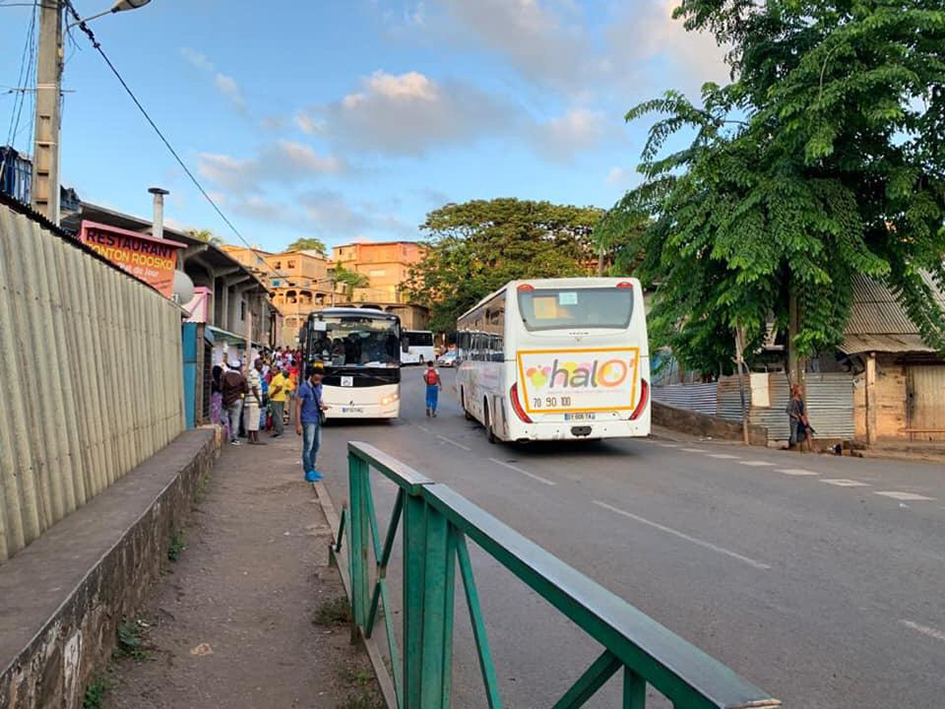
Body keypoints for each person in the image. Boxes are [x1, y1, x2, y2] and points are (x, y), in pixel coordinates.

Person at [297, 365, 329, 482]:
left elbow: (319, 399)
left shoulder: (319, 386)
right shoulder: (304, 388)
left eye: (319, 379)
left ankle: (313, 469)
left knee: (316, 445)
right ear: (311, 376)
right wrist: (298, 424)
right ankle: (308, 471)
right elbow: (298, 405)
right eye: (316, 379)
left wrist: (322, 405)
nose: (317, 381)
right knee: (308, 447)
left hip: (316, 419)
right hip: (307, 420)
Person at [222, 360, 247, 445]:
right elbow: (246, 389)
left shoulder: (225, 376)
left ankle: (225, 435)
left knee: (226, 418)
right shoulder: (242, 377)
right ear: (239, 367)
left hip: (226, 400)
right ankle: (234, 438)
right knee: (235, 419)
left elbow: (220, 387)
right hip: (237, 399)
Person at [788, 383, 816, 453]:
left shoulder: (800, 399)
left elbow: (802, 411)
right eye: (800, 390)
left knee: (808, 431)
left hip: (802, 420)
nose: (802, 391)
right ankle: (791, 443)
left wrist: (805, 419)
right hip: (796, 420)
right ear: (797, 391)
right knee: (795, 437)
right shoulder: (792, 401)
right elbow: (788, 411)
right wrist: (796, 416)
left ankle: (811, 449)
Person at [245, 358, 266, 445]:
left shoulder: (255, 373)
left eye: (261, 365)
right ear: (255, 364)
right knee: (255, 420)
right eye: (258, 365)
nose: (260, 366)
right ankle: (255, 438)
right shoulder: (254, 374)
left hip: (252, 400)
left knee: (252, 420)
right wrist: (259, 400)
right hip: (254, 401)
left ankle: (250, 438)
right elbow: (254, 388)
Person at [268, 363, 291, 438]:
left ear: (278, 370)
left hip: (277, 399)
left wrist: (272, 394)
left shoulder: (278, 377)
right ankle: (278, 431)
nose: (273, 371)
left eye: (275, 370)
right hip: (278, 399)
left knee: (277, 416)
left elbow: (279, 387)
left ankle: (279, 432)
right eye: (272, 369)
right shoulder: (277, 377)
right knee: (278, 415)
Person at [210, 364, 231, 442]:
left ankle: (223, 436)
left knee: (219, 418)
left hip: (216, 404)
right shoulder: (218, 383)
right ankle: (225, 436)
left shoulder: (214, 382)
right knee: (223, 418)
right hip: (218, 403)